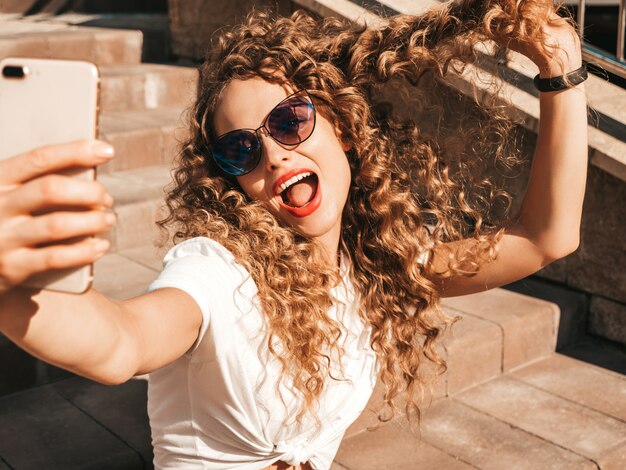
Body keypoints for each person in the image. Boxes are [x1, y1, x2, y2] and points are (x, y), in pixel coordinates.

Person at [0, 0, 587, 468]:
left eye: (290, 121)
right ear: (231, 178)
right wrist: (12, 288)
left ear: (345, 131)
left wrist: (562, 67)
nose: (275, 155)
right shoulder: (216, 272)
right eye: (241, 149)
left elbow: (544, 237)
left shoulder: (371, 271)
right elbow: (120, 342)